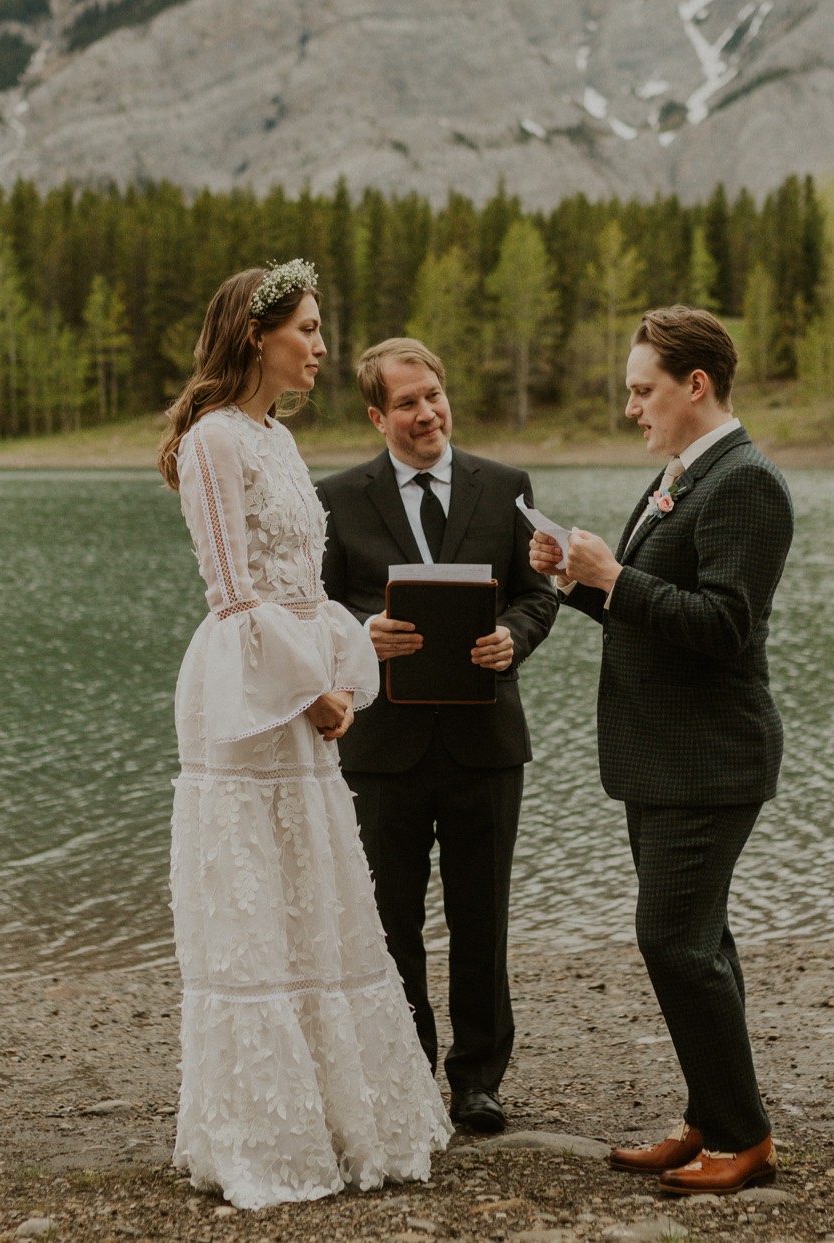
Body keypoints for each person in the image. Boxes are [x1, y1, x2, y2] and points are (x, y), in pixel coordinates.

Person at [157, 264, 449, 1211]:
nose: (323, 347)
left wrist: (342, 662)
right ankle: (262, 1133)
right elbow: (234, 594)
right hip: (246, 695)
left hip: (296, 673)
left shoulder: (278, 438)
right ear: (256, 333)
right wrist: (307, 691)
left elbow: (306, 589)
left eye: (321, 330)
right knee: (254, 907)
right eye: (309, 330)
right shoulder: (212, 440)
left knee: (311, 894)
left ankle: (335, 1117)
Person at [529, 306, 793, 1196]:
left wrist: (614, 576)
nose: (632, 406)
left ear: (696, 386)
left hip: (710, 761)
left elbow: (724, 626)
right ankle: (709, 1116)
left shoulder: (745, 482)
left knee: (672, 941)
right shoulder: (686, 473)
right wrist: (576, 576)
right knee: (699, 941)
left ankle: (744, 1135)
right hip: (665, 759)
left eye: (643, 390)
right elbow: (652, 605)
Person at [317, 339, 559, 1134]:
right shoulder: (338, 499)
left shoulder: (508, 486)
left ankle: (478, 1080)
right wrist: (362, 632)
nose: (428, 413)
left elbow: (537, 594)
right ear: (376, 415)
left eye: (434, 395)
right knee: (390, 919)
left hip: (486, 744)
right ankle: (408, 1068)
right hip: (381, 749)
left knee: (482, 915)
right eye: (408, 403)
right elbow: (313, 610)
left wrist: (513, 639)